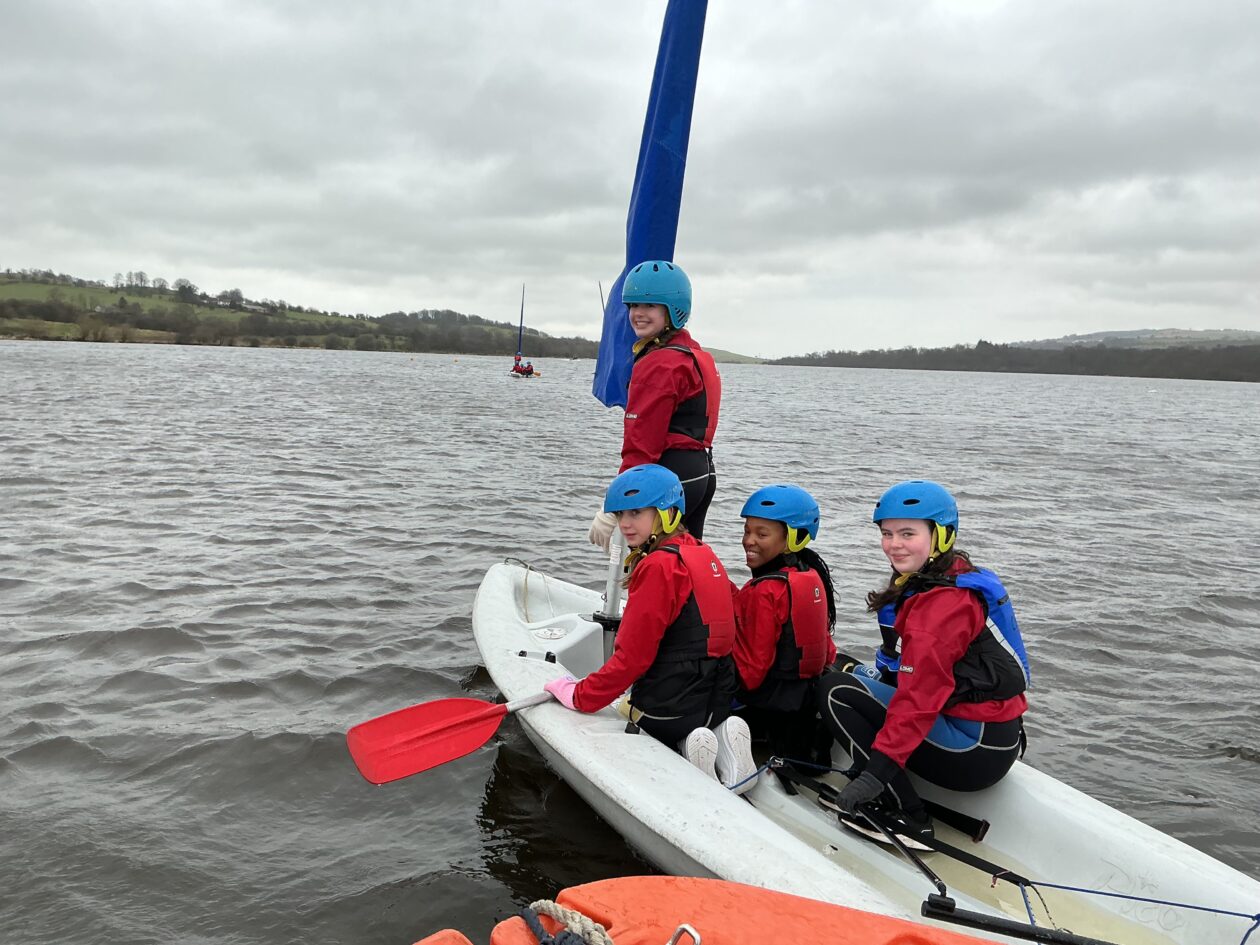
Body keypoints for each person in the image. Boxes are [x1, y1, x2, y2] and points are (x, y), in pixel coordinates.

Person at [817, 480, 1030, 841]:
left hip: (974, 748)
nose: (894, 544)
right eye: (887, 534)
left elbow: (917, 700)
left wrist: (875, 777)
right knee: (844, 668)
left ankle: (908, 815)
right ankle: (875, 774)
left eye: (907, 534)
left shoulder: (943, 608)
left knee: (835, 690)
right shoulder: (946, 575)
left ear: (941, 535)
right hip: (988, 733)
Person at [548, 464, 756, 793]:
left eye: (636, 512)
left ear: (667, 513)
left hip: (668, 711)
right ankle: (719, 735)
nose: (625, 524)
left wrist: (579, 695)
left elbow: (632, 659)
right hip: (717, 697)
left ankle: (687, 750)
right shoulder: (702, 552)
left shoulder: (658, 566)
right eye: (620, 514)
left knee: (625, 707)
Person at [589, 261, 721, 551]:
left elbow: (641, 445)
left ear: (673, 310)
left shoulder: (659, 363)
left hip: (669, 477)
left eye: (649, 305)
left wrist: (613, 506)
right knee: (685, 561)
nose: (638, 313)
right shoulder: (695, 355)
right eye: (633, 305)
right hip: (701, 474)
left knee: (654, 564)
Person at [732, 484, 837, 766]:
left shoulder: (764, 590)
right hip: (803, 704)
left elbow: (750, 674)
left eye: (762, 534)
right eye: (746, 531)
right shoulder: (811, 576)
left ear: (793, 538)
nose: (749, 541)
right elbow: (829, 653)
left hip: (767, 708)